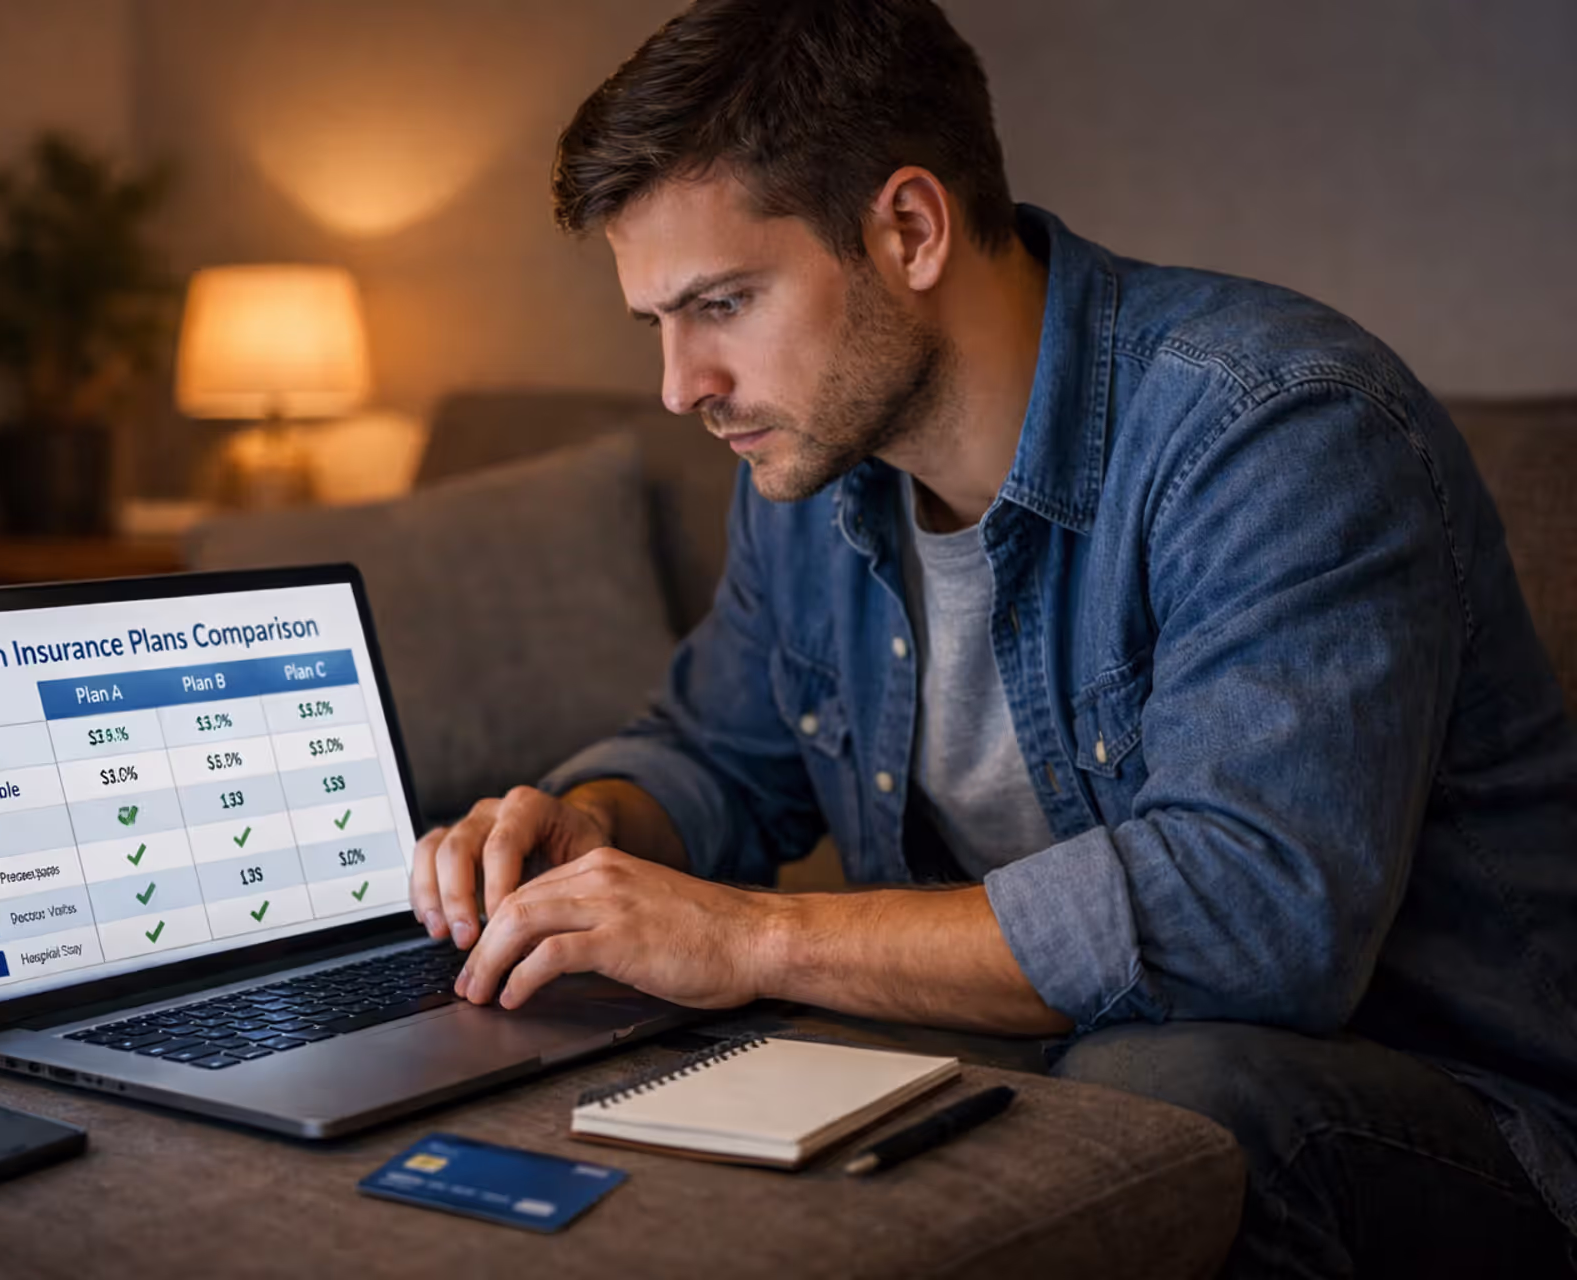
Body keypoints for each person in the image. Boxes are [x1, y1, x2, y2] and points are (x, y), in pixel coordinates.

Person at [408, 1, 1577, 1273]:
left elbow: (1256, 917)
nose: (681, 385)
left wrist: (747, 936)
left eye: (724, 304)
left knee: (1163, 1088)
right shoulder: (809, 475)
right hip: (1049, 1053)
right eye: (660, 325)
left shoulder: (1277, 431)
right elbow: (718, 750)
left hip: (1469, 1115)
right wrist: (590, 834)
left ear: (909, 229)